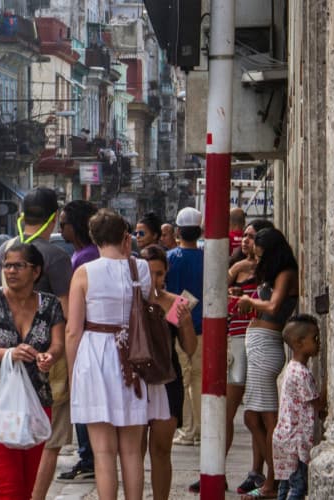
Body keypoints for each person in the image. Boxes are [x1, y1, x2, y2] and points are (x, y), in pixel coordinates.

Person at [0, 188, 74, 499]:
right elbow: (67, 317)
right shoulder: (56, 257)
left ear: (23, 216)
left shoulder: (1, 254)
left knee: (14, 438)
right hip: (45, 364)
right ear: (53, 220)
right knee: (47, 438)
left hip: (3, 365)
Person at [0, 242, 66, 500]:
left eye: (18, 265)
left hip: (35, 403)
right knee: (9, 487)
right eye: (7, 265)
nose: (10, 271)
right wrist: (8, 354)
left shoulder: (51, 305)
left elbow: (58, 345)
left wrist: (48, 356)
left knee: (26, 488)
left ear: (36, 271)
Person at [67, 209, 156, 500]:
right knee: (132, 452)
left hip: (94, 356)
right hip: (133, 355)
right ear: (125, 237)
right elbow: (150, 309)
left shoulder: (84, 272)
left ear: (93, 238)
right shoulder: (140, 269)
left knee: (103, 452)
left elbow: (73, 330)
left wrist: (72, 374)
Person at [234, 227, 299, 498]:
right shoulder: (274, 273)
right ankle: (275, 476)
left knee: (262, 415)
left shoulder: (286, 273)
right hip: (259, 342)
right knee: (255, 414)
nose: (258, 260)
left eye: (262, 256)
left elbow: (273, 307)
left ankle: (276, 478)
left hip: (267, 343)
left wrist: (250, 301)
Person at [214, 218, 276, 495]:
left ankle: (260, 472)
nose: (246, 241)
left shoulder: (268, 270)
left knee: (256, 414)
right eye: (246, 236)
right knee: (232, 413)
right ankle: (217, 468)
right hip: (237, 339)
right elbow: (217, 295)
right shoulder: (238, 266)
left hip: (256, 341)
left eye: (252, 236)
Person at [140, 245, 198, 500]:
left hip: (167, 380)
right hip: (137, 380)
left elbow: (189, 347)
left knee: (161, 449)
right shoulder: (129, 301)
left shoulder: (175, 302)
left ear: (166, 273)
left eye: (159, 273)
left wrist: (184, 321)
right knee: (134, 450)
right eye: (149, 273)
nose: (154, 280)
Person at [56, 200, 100, 484]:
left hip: (83, 336)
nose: (61, 229)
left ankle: (88, 458)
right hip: (90, 336)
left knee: (81, 399)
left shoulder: (83, 258)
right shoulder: (87, 254)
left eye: (64, 225)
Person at [270, 314, 325, 500]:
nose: (319, 343)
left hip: (284, 437)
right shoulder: (302, 373)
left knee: (285, 486)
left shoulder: (291, 369)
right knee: (298, 487)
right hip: (296, 441)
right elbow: (318, 404)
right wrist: (328, 386)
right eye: (315, 339)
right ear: (300, 343)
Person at [167, 207, 204, 447]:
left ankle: (188, 430)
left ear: (178, 231)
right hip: (203, 325)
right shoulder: (208, 258)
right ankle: (200, 429)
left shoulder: (170, 258)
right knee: (199, 379)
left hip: (177, 324)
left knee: (183, 377)